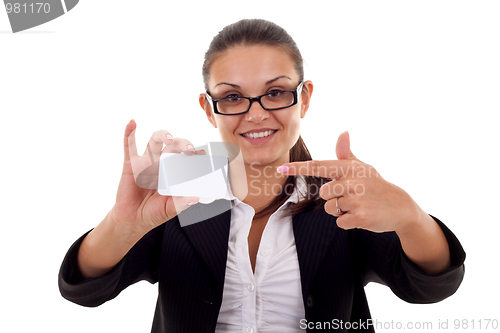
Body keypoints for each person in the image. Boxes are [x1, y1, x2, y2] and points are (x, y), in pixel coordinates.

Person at [58, 19, 465, 332]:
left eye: (275, 92)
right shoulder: (178, 193)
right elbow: (85, 291)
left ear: (303, 98)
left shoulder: (341, 196)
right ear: (208, 107)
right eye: (232, 97)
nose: (256, 113)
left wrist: (412, 218)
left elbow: (429, 288)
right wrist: (123, 224)